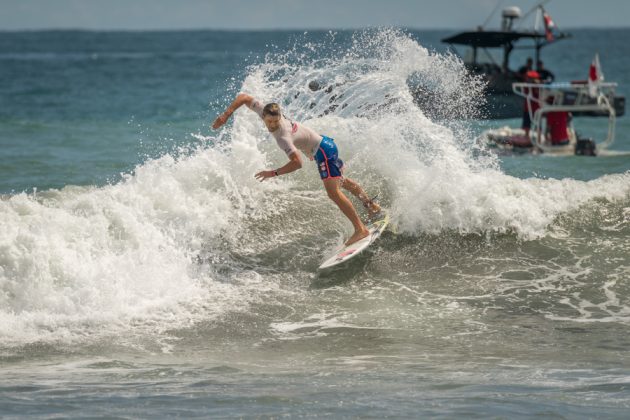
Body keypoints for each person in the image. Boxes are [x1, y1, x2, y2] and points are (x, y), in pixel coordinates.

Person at [212, 93, 381, 246]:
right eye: (269, 121)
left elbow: (297, 163)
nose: (272, 125)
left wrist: (273, 173)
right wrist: (226, 115)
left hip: (323, 152)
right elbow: (244, 97)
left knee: (333, 192)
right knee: (341, 182)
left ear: (280, 118)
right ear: (263, 115)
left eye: (276, 121)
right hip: (325, 145)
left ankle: (360, 230)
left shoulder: (283, 137)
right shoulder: (265, 110)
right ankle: (371, 206)